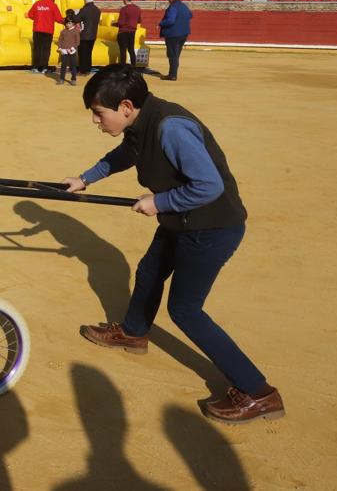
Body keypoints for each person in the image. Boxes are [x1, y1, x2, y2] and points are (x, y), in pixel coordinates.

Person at [63, 64, 282, 424]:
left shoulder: (171, 129)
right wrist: (85, 179)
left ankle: (258, 392)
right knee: (150, 271)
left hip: (211, 228)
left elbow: (208, 186)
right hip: (182, 221)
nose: (95, 121)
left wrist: (158, 202)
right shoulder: (141, 122)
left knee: (185, 310)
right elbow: (125, 154)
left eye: (99, 113)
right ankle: (134, 333)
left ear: (127, 107)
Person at [159, 0, 192, 81]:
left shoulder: (173, 7)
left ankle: (172, 75)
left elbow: (170, 20)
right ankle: (173, 73)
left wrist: (161, 23)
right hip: (183, 34)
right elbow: (190, 15)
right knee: (176, 55)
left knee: (172, 55)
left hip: (173, 35)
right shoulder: (184, 6)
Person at [27, 0, 63, 74]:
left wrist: (38, 18)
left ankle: (35, 67)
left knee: (37, 49)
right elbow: (59, 19)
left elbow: (30, 15)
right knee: (46, 50)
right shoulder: (53, 5)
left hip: (37, 30)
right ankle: (44, 68)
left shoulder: (37, 4)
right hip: (48, 31)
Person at [77, 0, 102, 75]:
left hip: (84, 35)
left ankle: (83, 70)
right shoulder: (97, 10)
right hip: (93, 34)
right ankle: (88, 69)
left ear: (85, 1)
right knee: (88, 52)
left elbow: (77, 19)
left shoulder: (84, 10)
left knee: (82, 53)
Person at [115, 0, 141, 67]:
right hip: (132, 32)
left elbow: (121, 23)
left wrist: (114, 24)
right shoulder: (137, 8)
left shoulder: (124, 9)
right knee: (131, 50)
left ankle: (122, 68)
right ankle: (134, 67)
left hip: (123, 32)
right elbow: (139, 20)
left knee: (123, 51)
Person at [56, 9, 81, 86]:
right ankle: (61, 79)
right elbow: (60, 40)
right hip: (64, 51)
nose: (68, 25)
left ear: (73, 23)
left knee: (73, 66)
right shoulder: (63, 32)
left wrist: (72, 48)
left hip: (72, 51)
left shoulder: (76, 31)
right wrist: (60, 48)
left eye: (69, 23)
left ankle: (73, 79)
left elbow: (77, 42)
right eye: (66, 23)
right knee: (63, 66)